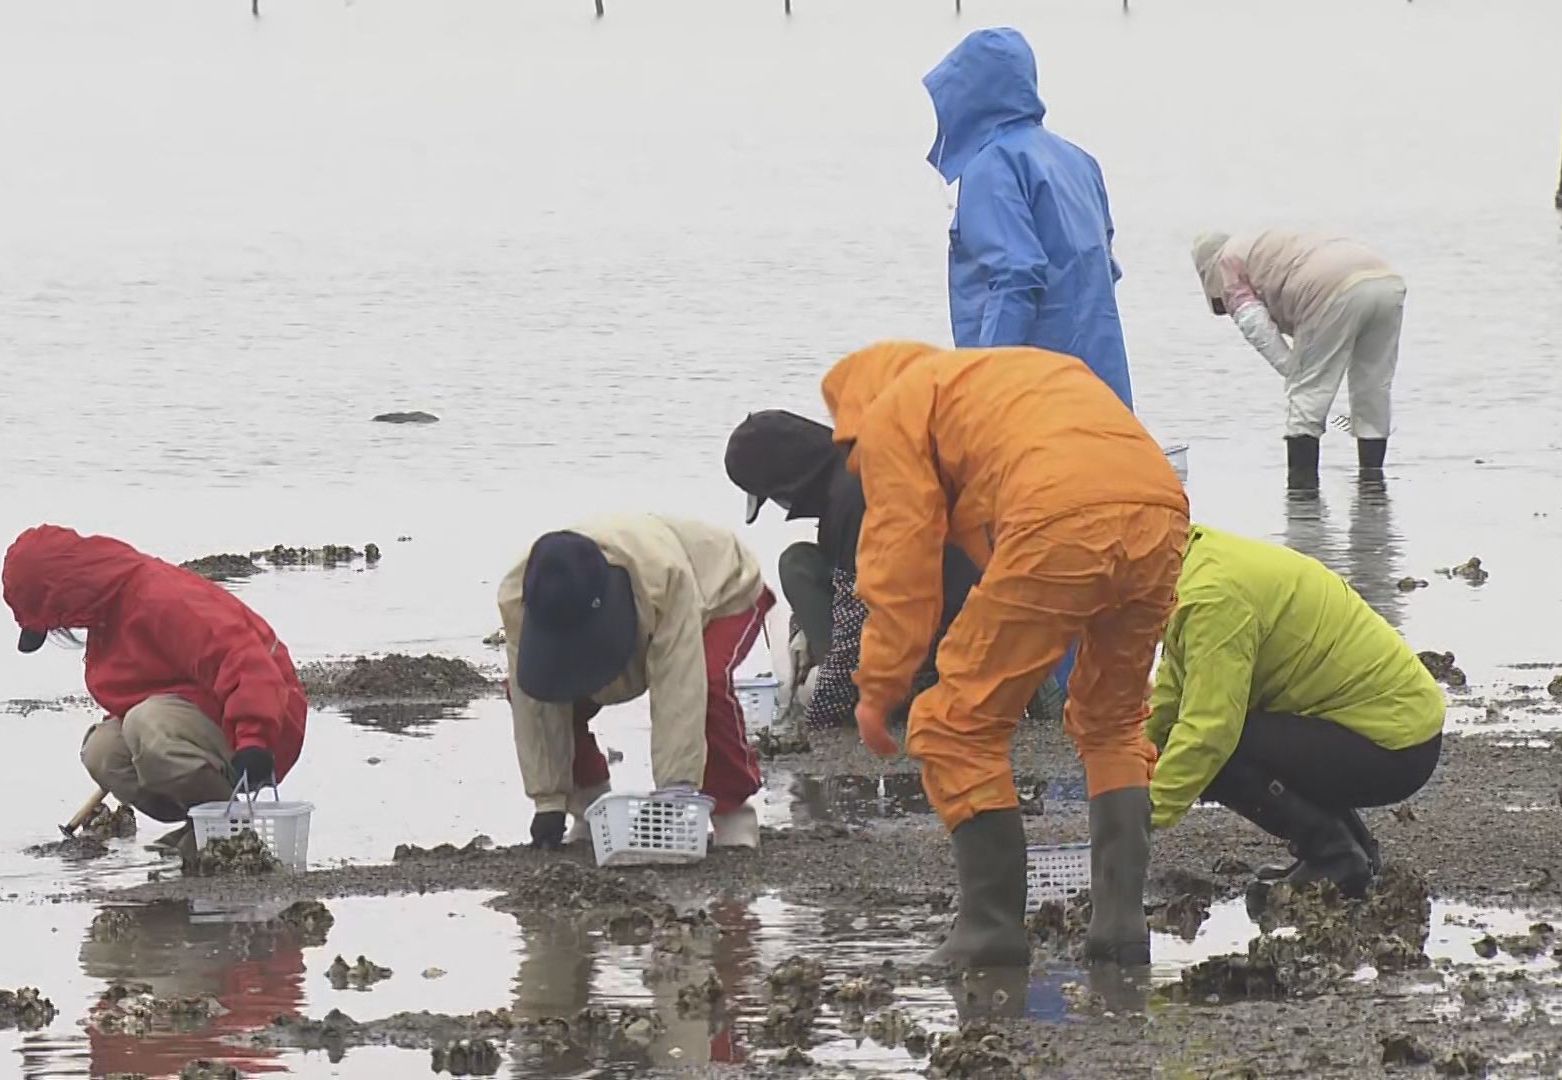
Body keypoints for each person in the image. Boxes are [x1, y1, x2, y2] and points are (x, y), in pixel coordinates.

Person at [822, 340, 1188, 970]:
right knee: (1114, 720)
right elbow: (984, 539)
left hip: (1060, 515)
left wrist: (879, 687)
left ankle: (989, 929)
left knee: (955, 723)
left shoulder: (895, 411)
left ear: (858, 405)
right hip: (1162, 512)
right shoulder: (1000, 379)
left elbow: (900, 564)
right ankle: (1121, 928)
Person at [1146, 524, 1444, 897]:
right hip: (1393, 727)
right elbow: (1177, 684)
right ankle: (1354, 850)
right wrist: (1140, 756)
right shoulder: (1197, 560)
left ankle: (1334, 856)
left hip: (1396, 745)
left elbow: (1210, 730)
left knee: (1223, 748)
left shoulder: (1210, 598)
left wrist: (1141, 816)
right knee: (1220, 737)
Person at [2, 525, 308, 859]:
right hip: (204, 712)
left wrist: (254, 738)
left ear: (67, 596)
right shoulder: (104, 613)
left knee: (146, 725)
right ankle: (201, 823)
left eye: (57, 620)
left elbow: (246, 662)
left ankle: (229, 832)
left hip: (268, 716)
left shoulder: (160, 597)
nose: (65, 628)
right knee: (103, 751)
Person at [498, 514, 771, 851]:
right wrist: (548, 801)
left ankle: (734, 818)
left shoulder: (664, 577)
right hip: (610, 601)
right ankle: (591, 809)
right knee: (547, 686)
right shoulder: (521, 596)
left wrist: (676, 789)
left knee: (708, 682)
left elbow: (680, 686)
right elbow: (532, 701)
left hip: (719, 588)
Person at [723, 409, 995, 730]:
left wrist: (817, 724)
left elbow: (853, 640)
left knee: (795, 565)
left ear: (789, 481)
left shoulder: (853, 501)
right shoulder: (858, 464)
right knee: (802, 558)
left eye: (775, 497)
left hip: (952, 638)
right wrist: (801, 630)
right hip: (973, 609)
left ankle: (889, 694)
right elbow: (843, 574)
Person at [922, 27, 1133, 409]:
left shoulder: (992, 165)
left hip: (1035, 397)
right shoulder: (1080, 162)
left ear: (969, 97)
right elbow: (1105, 271)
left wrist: (984, 386)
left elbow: (1017, 276)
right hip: (1101, 391)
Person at [1190, 230, 1407, 489]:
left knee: (1307, 397)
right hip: (1387, 281)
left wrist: (1292, 367)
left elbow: (1253, 322)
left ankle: (1303, 499)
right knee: (1373, 387)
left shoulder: (1226, 263)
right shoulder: (1265, 245)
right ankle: (1373, 486)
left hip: (1331, 288)